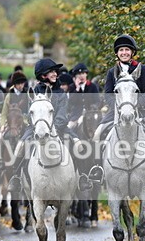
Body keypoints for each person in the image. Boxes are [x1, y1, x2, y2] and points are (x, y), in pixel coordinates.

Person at [90, 34, 145, 183]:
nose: (124, 52)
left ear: (132, 52)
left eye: (127, 50)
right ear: (117, 53)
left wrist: (137, 104)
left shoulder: (142, 69)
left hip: (142, 109)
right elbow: (108, 94)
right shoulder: (112, 72)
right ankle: (98, 168)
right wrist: (118, 107)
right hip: (118, 110)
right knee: (97, 133)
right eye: (121, 50)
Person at [7, 58, 94, 194]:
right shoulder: (34, 92)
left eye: (55, 71)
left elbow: (62, 115)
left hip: (59, 127)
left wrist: (51, 128)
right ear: (43, 75)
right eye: (51, 71)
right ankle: (16, 177)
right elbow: (31, 113)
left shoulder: (61, 94)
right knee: (21, 147)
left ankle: (82, 176)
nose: (55, 74)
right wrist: (38, 126)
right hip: (36, 127)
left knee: (77, 144)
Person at [67, 62, 101, 129]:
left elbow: (97, 101)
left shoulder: (92, 86)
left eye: (83, 73)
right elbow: (70, 102)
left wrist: (94, 107)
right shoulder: (72, 87)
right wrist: (77, 88)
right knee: (69, 127)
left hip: (91, 115)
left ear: (86, 74)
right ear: (75, 76)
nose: (81, 76)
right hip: (76, 116)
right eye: (79, 74)